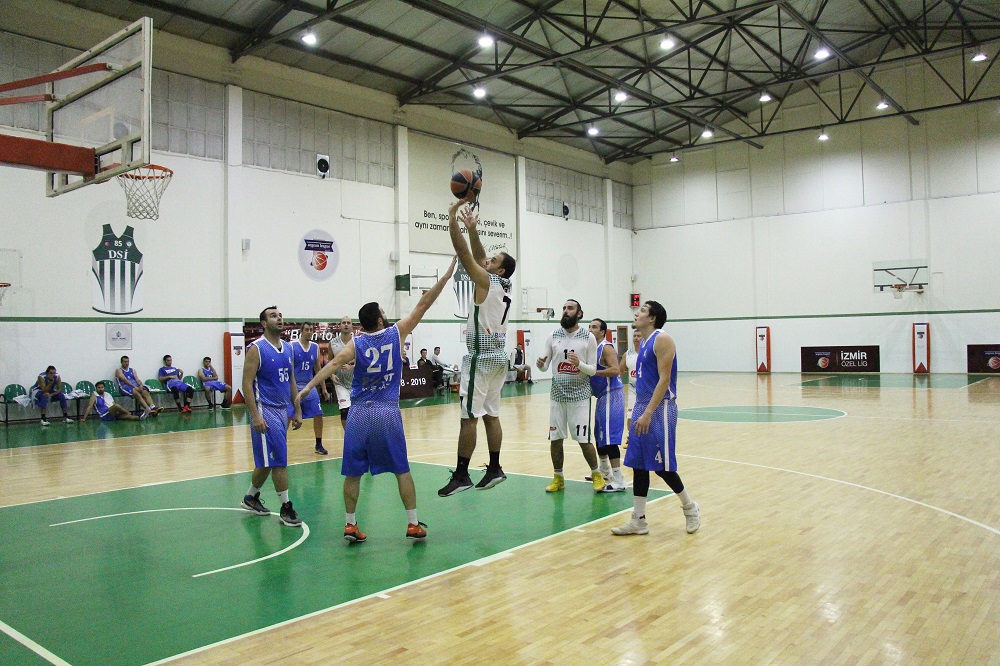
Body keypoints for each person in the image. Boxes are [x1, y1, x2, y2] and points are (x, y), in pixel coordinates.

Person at [299, 258, 457, 542]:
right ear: (381, 320)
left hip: (359, 412)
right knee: (402, 469)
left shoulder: (357, 343)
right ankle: (412, 524)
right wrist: (446, 276)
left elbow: (332, 364)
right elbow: (424, 304)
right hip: (386, 411)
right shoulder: (396, 333)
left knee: (353, 472)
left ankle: (350, 524)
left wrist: (307, 387)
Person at [438, 199, 517, 496]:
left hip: (480, 358)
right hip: (499, 357)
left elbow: (465, 255)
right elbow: (482, 257)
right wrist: (473, 228)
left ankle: (462, 475)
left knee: (468, 417)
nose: (487, 261)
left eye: (494, 261)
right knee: (491, 415)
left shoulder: (486, 281)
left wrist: (452, 221)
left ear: (501, 270)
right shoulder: (503, 284)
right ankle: (495, 468)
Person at [612, 301, 700, 536]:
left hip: (660, 408)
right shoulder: (643, 343)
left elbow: (664, 379)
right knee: (639, 465)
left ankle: (690, 507)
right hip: (642, 405)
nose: (636, 313)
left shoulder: (662, 339)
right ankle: (639, 520)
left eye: (642, 310)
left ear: (652, 318)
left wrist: (648, 413)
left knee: (662, 467)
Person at [240, 306, 303, 528]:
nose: (279, 318)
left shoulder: (288, 348)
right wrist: (255, 415)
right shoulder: (256, 349)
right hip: (265, 410)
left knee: (268, 460)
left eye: (280, 315)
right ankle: (286, 507)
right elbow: (246, 384)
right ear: (264, 323)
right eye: (273, 316)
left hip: (282, 410)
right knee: (279, 461)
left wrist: (297, 409)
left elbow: (291, 380)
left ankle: (250, 497)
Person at [535, 300, 604, 492]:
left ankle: (597, 475)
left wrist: (578, 364)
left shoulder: (588, 337)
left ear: (579, 313)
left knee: (583, 439)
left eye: (570, 308)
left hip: (580, 396)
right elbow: (544, 367)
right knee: (555, 439)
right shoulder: (553, 335)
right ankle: (558, 478)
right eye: (564, 308)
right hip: (557, 395)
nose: (566, 311)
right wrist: (540, 364)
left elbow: (592, 370)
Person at [588, 319, 627, 492]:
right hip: (602, 397)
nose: (590, 329)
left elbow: (615, 370)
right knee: (599, 436)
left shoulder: (606, 347)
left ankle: (619, 480)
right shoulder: (591, 349)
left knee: (610, 439)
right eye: (589, 326)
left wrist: (594, 372)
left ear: (602, 332)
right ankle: (604, 471)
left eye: (594, 327)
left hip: (612, 395)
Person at [293, 322, 331, 455]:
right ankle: (281, 443)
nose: (309, 332)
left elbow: (318, 369)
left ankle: (319, 444)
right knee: (288, 415)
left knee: (318, 413)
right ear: (301, 331)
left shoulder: (315, 347)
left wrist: (324, 388)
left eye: (311, 330)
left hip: (309, 386)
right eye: (307, 330)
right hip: (294, 386)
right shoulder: (292, 346)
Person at [329, 315, 356, 431]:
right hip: (340, 382)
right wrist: (332, 374)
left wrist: (352, 367)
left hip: (356, 382)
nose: (346, 324)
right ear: (339, 326)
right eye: (343, 322)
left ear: (352, 326)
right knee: (345, 410)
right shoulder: (333, 342)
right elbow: (330, 361)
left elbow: (364, 361)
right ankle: (348, 435)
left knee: (358, 410)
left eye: (348, 323)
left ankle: (359, 434)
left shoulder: (357, 342)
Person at [622, 329, 641, 435]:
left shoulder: (648, 353)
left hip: (646, 391)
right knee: (630, 416)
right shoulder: (627, 354)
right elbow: (620, 371)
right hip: (632, 390)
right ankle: (630, 436)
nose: (636, 338)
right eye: (634, 336)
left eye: (639, 336)